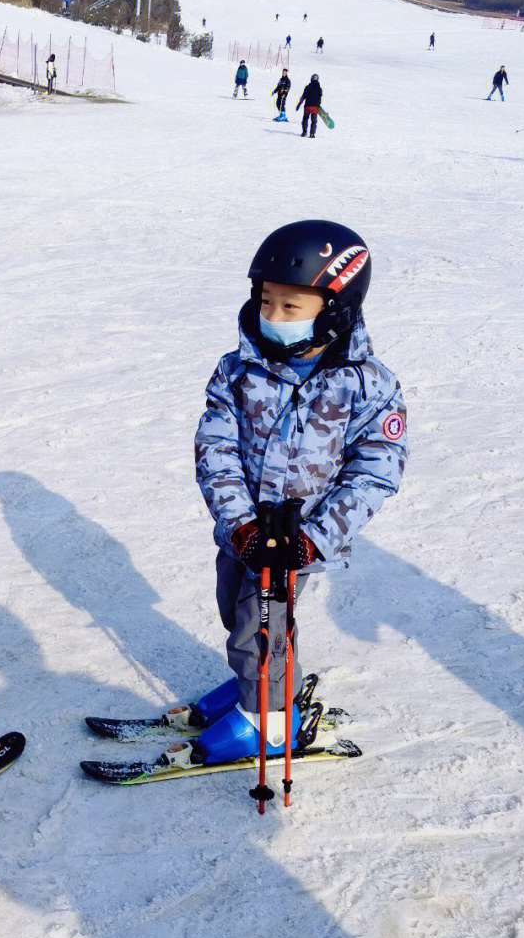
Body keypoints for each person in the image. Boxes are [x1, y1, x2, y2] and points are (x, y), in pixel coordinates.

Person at [167, 220, 406, 765]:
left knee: (262, 628)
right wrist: (239, 523)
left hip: (296, 538)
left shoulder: (367, 384)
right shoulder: (238, 371)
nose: (271, 318)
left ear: (336, 309)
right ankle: (252, 684)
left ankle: (270, 719)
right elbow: (215, 448)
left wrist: (316, 540)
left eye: (290, 308)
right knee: (234, 612)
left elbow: (376, 470)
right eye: (265, 301)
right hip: (243, 531)